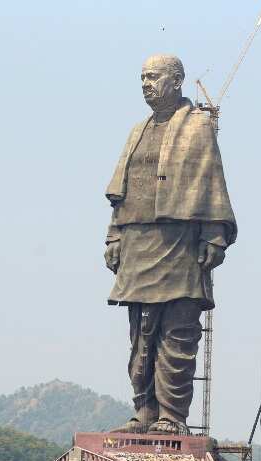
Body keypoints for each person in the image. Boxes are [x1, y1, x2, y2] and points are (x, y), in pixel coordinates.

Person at [103, 54, 237, 435]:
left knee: (178, 331)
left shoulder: (197, 127)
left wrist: (214, 233)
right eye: (142, 77)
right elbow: (121, 191)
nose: (146, 83)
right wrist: (114, 235)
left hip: (179, 242)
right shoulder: (137, 129)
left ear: (176, 81)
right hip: (136, 240)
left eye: (154, 76)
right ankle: (144, 410)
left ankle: (171, 416)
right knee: (140, 332)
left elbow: (210, 180)